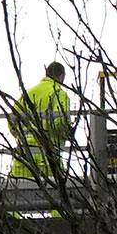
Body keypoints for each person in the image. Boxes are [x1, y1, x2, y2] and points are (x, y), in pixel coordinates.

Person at [7, 61, 70, 215]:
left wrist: (21, 137)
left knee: (16, 197)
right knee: (57, 197)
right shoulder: (59, 93)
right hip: (48, 155)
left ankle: (10, 231)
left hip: (24, 154)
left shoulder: (28, 93)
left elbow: (12, 121)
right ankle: (60, 229)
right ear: (61, 76)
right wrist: (65, 134)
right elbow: (61, 122)